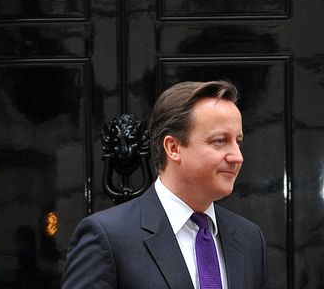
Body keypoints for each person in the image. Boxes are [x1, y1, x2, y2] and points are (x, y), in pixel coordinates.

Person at [61, 80, 269, 289]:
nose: (237, 156)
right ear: (173, 147)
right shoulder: (108, 237)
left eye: (238, 141)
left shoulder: (248, 238)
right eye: (220, 141)